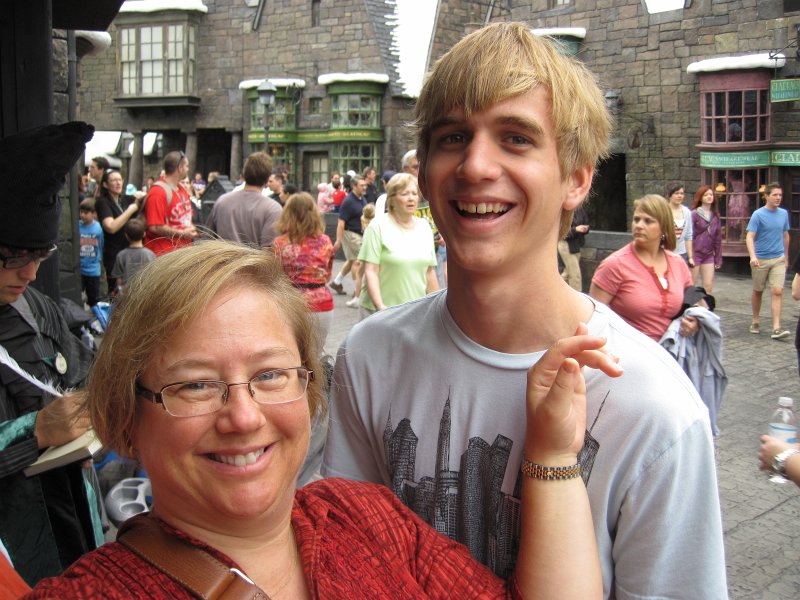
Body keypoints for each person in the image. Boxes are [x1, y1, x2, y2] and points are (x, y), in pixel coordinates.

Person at [322, 22, 727, 599]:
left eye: (515, 138)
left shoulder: (654, 410)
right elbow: (346, 564)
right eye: (453, 137)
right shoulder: (369, 356)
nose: (476, 166)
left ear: (576, 178)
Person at [27, 240, 616, 599]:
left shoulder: (368, 521)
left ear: (308, 389)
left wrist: (553, 455)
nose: (242, 415)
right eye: (196, 384)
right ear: (127, 420)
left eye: (270, 375)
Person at [0, 121, 103, 586]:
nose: (29, 271)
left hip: (74, 509)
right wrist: (35, 430)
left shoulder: (37, 306)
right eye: (12, 256)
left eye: (41, 254)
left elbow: (80, 373)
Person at [590, 195, 695, 342]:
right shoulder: (615, 264)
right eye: (636, 219)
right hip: (628, 357)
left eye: (648, 221)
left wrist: (693, 320)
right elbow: (594, 318)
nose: (639, 225)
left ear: (663, 226)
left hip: (670, 356)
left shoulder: (677, 263)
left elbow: (691, 299)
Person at [358, 173, 438, 319]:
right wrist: (380, 307)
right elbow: (371, 271)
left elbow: (429, 272)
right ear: (392, 199)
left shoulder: (424, 227)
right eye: (404, 193)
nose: (411, 198)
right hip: (379, 312)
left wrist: (437, 309)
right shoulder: (378, 226)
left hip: (413, 312)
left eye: (414, 193)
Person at [273, 192, 335, 348]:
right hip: (321, 304)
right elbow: (327, 275)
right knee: (317, 354)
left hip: (291, 304)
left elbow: (275, 277)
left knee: (293, 354)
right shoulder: (325, 241)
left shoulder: (280, 243)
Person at [206, 151, 282, 248]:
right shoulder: (273, 209)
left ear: (244, 175)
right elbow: (270, 250)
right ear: (267, 179)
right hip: (254, 262)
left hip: (224, 261)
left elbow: (207, 238)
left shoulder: (222, 202)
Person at [746, 182, 790, 340]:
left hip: (778, 258)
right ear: (767, 196)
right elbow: (750, 236)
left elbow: (785, 235)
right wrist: (753, 256)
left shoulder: (783, 214)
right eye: (775, 195)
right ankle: (755, 320)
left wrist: (786, 257)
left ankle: (776, 327)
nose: (778, 198)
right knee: (758, 290)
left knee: (777, 291)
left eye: (780, 195)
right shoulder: (758, 215)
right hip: (761, 259)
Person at [95, 170, 142, 294]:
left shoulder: (125, 199)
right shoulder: (103, 203)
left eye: (120, 179)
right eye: (114, 180)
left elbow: (143, 196)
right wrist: (131, 210)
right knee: (116, 292)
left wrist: (141, 195)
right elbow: (111, 227)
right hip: (114, 254)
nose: (118, 183)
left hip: (132, 251)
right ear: (105, 184)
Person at [144, 150, 198, 256]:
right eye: (186, 166)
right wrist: (182, 233)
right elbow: (154, 226)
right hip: (164, 253)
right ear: (179, 168)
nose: (188, 169)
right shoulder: (158, 192)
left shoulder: (182, 189)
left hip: (182, 251)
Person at [329, 175, 368, 302]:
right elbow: (341, 222)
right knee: (358, 261)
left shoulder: (361, 198)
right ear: (354, 186)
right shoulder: (349, 201)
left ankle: (336, 281)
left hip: (359, 233)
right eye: (361, 185)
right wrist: (338, 241)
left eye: (365, 185)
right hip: (351, 234)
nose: (364, 187)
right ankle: (358, 291)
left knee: (352, 260)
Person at [691, 185, 723, 293]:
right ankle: (690, 307)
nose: (709, 197)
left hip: (709, 254)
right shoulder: (694, 214)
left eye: (711, 194)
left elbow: (718, 238)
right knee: (692, 284)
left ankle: (707, 308)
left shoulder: (715, 216)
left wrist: (718, 257)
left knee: (708, 285)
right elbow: (689, 235)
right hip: (695, 253)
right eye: (706, 195)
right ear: (700, 197)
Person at [110, 219, 156, 294]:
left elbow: (119, 280)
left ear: (126, 235)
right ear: (144, 234)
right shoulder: (150, 254)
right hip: (145, 293)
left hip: (127, 294)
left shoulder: (121, 255)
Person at [557, 205, 589, 291]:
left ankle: (553, 291)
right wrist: (576, 230)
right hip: (566, 245)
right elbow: (560, 232)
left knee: (567, 273)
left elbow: (586, 222)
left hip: (576, 245)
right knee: (575, 276)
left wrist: (585, 228)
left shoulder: (580, 209)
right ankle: (578, 300)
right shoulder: (563, 210)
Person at [78, 200, 103, 307]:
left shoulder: (98, 229)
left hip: (93, 270)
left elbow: (101, 246)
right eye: (81, 212)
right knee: (78, 296)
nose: (82, 215)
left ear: (94, 214)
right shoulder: (77, 226)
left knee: (93, 299)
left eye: (86, 212)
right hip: (79, 268)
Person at [665, 181, 694, 267]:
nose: (680, 196)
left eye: (682, 193)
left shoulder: (687, 212)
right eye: (676, 193)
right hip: (666, 253)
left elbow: (688, 236)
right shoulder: (664, 210)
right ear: (670, 195)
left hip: (682, 254)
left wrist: (690, 257)